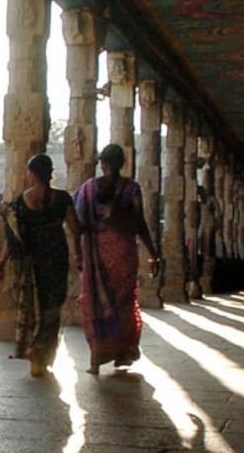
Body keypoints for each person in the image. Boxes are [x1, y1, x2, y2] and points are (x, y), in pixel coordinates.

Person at [74, 144, 161, 375]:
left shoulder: (87, 191)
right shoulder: (131, 189)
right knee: (122, 304)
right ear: (123, 164)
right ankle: (122, 351)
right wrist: (153, 253)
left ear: (102, 164)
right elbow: (140, 224)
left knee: (95, 304)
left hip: (96, 256)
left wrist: (77, 253)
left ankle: (96, 357)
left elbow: (77, 225)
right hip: (123, 254)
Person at [0, 154, 81, 377]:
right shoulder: (63, 199)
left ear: (32, 173)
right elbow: (75, 228)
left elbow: (12, 237)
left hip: (31, 263)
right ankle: (41, 353)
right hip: (56, 260)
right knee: (52, 307)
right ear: (50, 173)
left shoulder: (20, 202)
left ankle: (33, 347)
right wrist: (80, 254)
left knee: (32, 305)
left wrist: (1, 264)